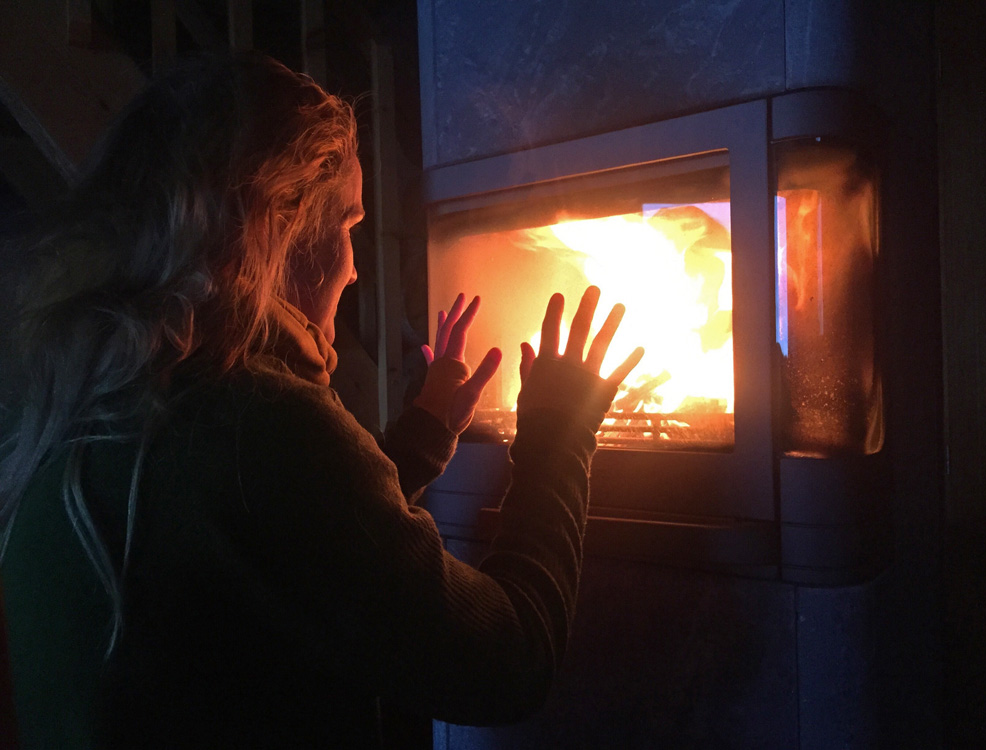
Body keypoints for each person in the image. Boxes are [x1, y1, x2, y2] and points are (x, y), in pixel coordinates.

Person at [0, 53, 642, 748]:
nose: (356, 265)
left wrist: (421, 437)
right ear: (276, 227)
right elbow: (508, 663)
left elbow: (281, 555)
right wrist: (558, 429)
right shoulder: (259, 427)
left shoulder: (84, 404)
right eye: (347, 226)